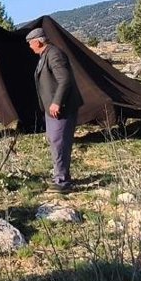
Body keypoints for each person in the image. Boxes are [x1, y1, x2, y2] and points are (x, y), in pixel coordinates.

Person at [26, 27, 82, 193]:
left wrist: (57, 102)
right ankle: (60, 176)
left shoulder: (54, 54)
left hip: (61, 108)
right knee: (55, 141)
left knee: (59, 142)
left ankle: (62, 182)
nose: (30, 46)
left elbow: (64, 80)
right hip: (51, 109)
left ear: (38, 41)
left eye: (30, 43)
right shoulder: (45, 55)